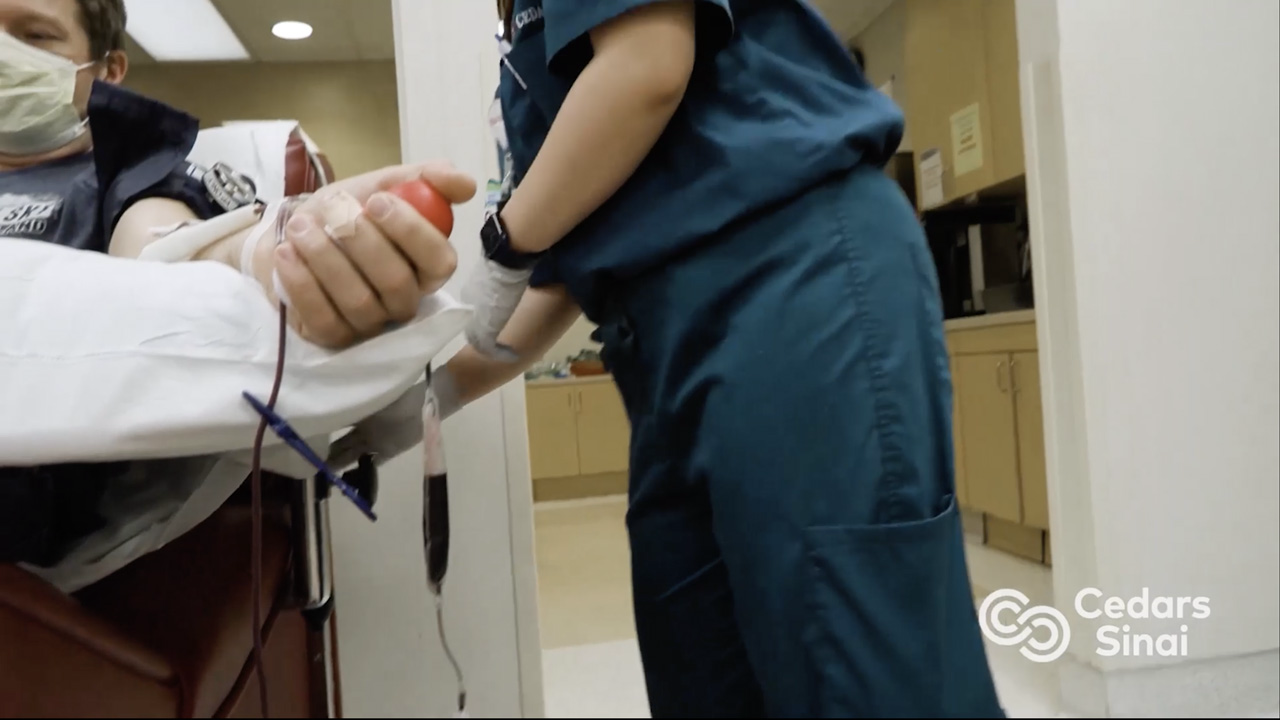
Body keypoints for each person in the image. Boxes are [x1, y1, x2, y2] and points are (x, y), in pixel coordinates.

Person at [440, 1, 1006, 717]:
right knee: (702, 667)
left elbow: (646, 64)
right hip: (660, 344)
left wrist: (500, 244)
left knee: (855, 675)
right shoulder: (523, 32)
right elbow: (555, 265)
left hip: (786, 279)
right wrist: (426, 398)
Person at [0, 0, 473, 567]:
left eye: (36, 35)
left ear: (107, 71)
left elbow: (167, 251)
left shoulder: (135, 172)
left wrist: (273, 246)